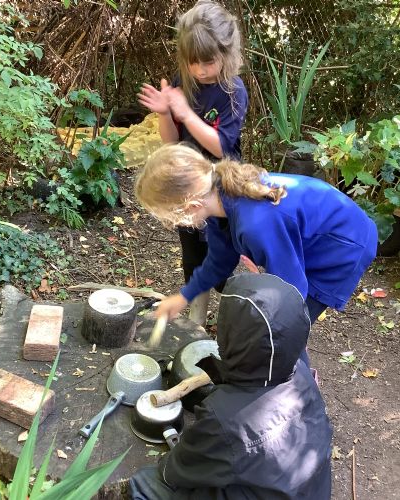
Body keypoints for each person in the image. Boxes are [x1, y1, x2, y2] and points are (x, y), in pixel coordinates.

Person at [129, 272, 333, 500]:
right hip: (309, 491)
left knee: (145, 482)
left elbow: (175, 472)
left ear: (231, 335)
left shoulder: (225, 419)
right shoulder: (302, 374)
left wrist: (173, 461)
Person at [135, 143, 379, 330]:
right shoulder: (219, 199)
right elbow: (218, 263)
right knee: (270, 329)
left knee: (284, 330)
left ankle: (296, 378)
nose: (173, 224)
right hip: (318, 234)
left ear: (191, 207)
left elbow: (292, 292)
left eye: (170, 218)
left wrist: (275, 319)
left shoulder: (256, 225)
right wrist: (183, 297)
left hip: (343, 246)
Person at [137, 0, 248, 326]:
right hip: (186, 183)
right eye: (192, 62)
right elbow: (172, 142)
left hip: (221, 187)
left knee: (222, 253)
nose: (200, 70)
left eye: (208, 62)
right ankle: (197, 320)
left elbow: (221, 145)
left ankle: (234, 315)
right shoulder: (182, 82)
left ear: (226, 52)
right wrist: (165, 113)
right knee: (192, 253)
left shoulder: (233, 91)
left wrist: (185, 113)